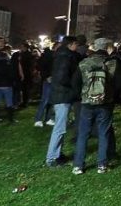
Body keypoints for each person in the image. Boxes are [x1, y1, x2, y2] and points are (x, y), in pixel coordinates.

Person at [71, 38, 118, 174]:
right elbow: (119, 82)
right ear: (107, 47)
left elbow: (75, 83)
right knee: (104, 133)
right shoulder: (112, 63)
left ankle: (78, 165)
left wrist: (81, 95)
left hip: (87, 102)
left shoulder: (85, 62)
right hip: (106, 102)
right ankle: (102, 164)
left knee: (83, 134)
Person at [45, 36, 80, 168]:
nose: (77, 47)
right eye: (76, 44)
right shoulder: (65, 58)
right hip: (62, 96)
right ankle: (52, 157)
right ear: (71, 44)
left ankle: (57, 154)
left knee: (61, 127)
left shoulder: (62, 56)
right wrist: (73, 87)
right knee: (59, 128)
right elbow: (62, 78)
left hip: (62, 95)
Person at [34, 41, 58, 127]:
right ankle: (38, 119)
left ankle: (48, 118)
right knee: (45, 100)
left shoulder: (55, 56)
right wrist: (47, 76)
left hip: (53, 80)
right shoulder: (49, 56)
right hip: (49, 80)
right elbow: (41, 66)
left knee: (51, 101)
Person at [0, 44, 16, 123]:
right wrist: (11, 82)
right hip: (7, 85)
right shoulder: (8, 65)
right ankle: (10, 119)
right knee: (9, 102)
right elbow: (12, 75)